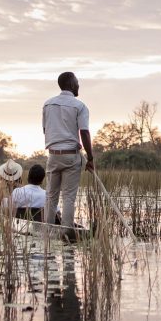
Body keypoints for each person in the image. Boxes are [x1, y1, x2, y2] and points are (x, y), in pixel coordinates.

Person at [42, 71, 95, 229]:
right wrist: (91, 158)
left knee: (51, 197)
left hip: (53, 155)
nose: (79, 85)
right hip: (71, 157)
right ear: (71, 84)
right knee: (69, 198)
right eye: (77, 82)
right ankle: (66, 232)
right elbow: (84, 132)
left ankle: (48, 233)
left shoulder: (47, 104)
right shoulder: (80, 106)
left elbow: (46, 130)